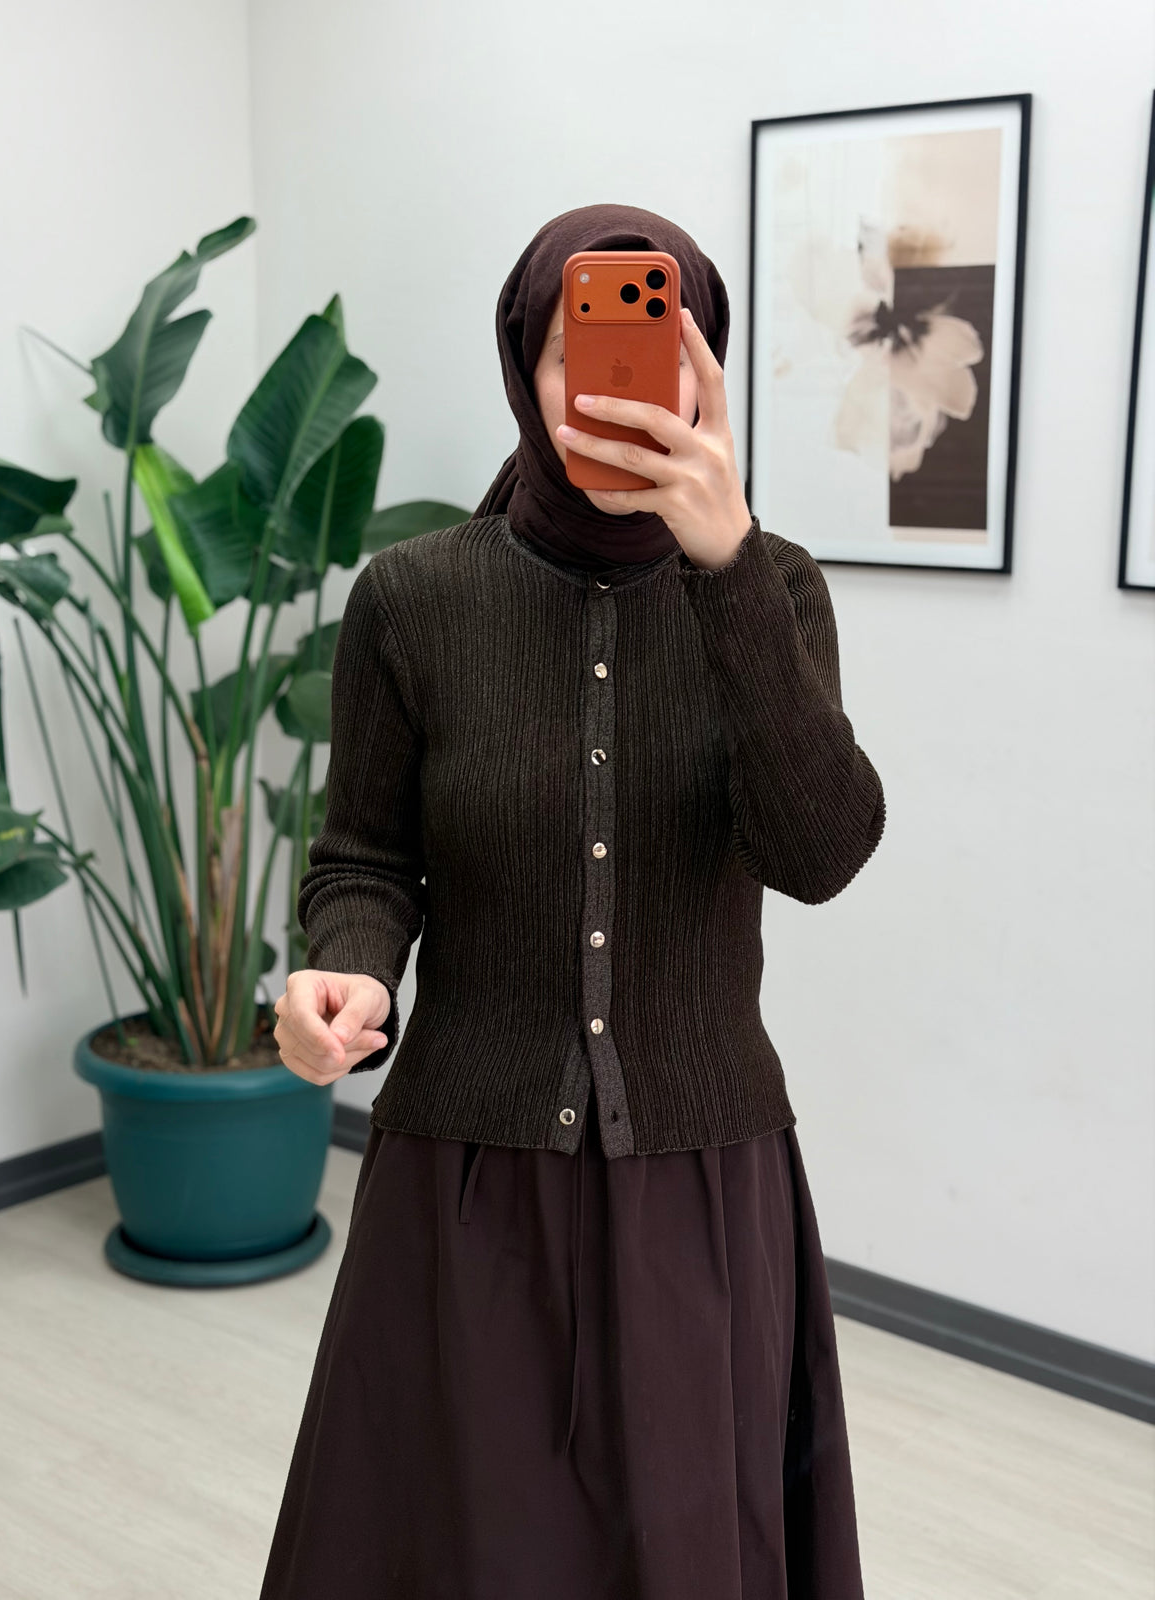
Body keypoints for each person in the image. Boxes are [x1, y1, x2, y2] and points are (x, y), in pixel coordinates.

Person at [259, 203, 886, 1600]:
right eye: (572, 355)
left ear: (705, 375)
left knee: (689, 1549)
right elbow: (365, 858)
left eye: (659, 357)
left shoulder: (775, 588)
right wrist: (347, 968)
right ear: (522, 372)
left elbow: (823, 851)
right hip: (466, 1178)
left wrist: (727, 572)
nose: (609, 392)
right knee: (464, 1551)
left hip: (700, 1175)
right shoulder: (413, 600)